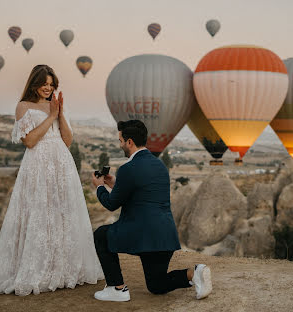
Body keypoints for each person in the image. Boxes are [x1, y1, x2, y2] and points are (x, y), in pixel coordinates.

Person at [0, 64, 104, 296]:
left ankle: (63, 268)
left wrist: (59, 113)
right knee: (39, 212)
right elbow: (30, 141)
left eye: (52, 84)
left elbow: (67, 140)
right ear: (34, 83)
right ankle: (37, 267)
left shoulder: (54, 106)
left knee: (62, 212)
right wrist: (50, 116)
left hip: (61, 162)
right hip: (39, 164)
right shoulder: (23, 107)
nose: (48, 88)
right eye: (45, 84)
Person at [91, 120, 212, 302]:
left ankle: (116, 288)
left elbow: (111, 204)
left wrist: (99, 187)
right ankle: (194, 273)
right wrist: (115, 183)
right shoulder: (160, 166)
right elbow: (142, 192)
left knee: (101, 234)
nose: (120, 144)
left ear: (129, 142)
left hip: (142, 235)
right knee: (156, 285)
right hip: (164, 236)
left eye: (120, 140)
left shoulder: (128, 168)